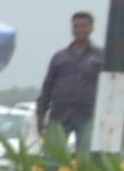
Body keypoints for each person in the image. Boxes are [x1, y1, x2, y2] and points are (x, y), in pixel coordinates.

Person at [34, 11, 103, 145]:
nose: (80, 30)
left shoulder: (101, 57)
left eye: (84, 26)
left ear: (91, 28)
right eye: (76, 26)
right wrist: (40, 115)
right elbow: (47, 87)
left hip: (88, 116)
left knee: (85, 161)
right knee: (52, 159)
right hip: (59, 116)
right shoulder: (59, 57)